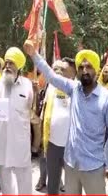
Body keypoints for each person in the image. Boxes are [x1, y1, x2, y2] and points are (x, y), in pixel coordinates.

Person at [24, 42, 108, 194]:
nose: (85, 71)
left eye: (89, 67)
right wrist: (33, 55)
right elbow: (51, 76)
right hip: (71, 165)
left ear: (97, 70)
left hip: (94, 166)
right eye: (81, 67)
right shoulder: (74, 89)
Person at [0, 47, 34, 194]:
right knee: (4, 174)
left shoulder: (27, 84)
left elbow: (32, 109)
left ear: (19, 66)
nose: (7, 66)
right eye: (6, 63)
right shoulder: (0, 82)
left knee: (24, 175)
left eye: (11, 63)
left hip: (20, 139)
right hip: (2, 137)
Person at [42, 60, 71, 194]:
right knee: (53, 183)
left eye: (62, 69)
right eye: (56, 69)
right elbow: (45, 114)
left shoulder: (76, 88)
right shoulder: (51, 88)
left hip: (71, 145)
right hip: (52, 143)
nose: (59, 72)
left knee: (73, 183)